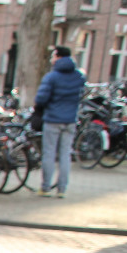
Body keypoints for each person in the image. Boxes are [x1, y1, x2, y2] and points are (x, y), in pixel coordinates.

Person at [34, 45, 86, 198]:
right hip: (70, 120)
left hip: (53, 119)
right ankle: (62, 189)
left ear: (58, 57)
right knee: (65, 154)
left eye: (53, 56)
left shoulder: (52, 77)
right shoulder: (78, 76)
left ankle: (45, 187)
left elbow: (41, 99)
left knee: (49, 153)